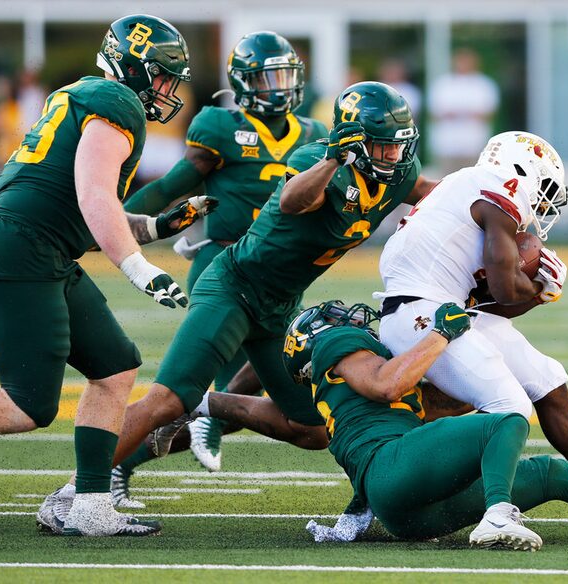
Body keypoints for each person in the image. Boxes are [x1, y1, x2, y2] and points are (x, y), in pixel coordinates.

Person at [36, 80, 440, 533]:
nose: (394, 157)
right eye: (383, 147)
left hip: (279, 306)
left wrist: (489, 199)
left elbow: (431, 190)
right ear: (354, 142)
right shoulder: (316, 160)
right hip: (235, 287)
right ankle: (74, 492)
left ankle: (207, 404)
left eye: (399, 146)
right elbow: (293, 200)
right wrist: (332, 160)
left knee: (310, 426)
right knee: (166, 397)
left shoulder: (400, 172)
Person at [0, 14, 218, 537]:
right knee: (27, 402)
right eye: (159, 75)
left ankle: (86, 505)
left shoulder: (88, 98)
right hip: (25, 248)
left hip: (38, 244)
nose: (165, 89)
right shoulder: (116, 103)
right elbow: (95, 197)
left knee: (115, 368)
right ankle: (83, 504)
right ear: (130, 67)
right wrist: (138, 267)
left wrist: (157, 226)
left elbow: (82, 209)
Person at [375, 130, 568, 536]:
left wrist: (535, 295)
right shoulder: (499, 189)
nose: (542, 203)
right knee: (508, 404)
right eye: (545, 187)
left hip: (440, 308)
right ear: (522, 171)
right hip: (421, 315)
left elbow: (491, 304)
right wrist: (542, 287)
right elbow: (503, 289)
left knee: (546, 379)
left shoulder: (459, 186)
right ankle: (495, 513)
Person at [282, 299, 568, 549]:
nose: (349, 318)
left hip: (403, 506)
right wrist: (442, 332)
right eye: (334, 318)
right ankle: (498, 515)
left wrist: (492, 358)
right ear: (317, 339)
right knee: (507, 418)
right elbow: (387, 386)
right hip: (394, 473)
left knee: (549, 472)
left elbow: (449, 411)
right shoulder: (335, 350)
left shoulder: (345, 399)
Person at [114, 31, 328, 488]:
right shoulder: (219, 125)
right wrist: (114, 217)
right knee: (213, 401)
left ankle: (122, 464)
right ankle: (108, 469)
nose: (278, 87)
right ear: (244, 82)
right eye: (268, 78)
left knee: (229, 403)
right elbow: (173, 185)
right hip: (225, 266)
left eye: (285, 76)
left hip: (278, 280)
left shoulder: (314, 134)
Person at [428, 48, 499, 175]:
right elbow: (435, 114)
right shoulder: (443, 84)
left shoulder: (484, 84)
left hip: (473, 143)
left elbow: (488, 113)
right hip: (447, 145)